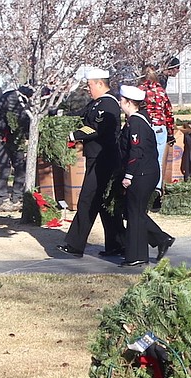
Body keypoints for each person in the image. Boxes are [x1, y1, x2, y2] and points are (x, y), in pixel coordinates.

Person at [57, 68, 124, 258]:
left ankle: (75, 245)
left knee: (87, 200)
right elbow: (81, 116)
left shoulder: (108, 104)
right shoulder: (96, 103)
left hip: (105, 159)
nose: (88, 88)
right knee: (103, 202)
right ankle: (117, 244)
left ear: (100, 84)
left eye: (90, 85)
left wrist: (73, 135)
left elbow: (96, 128)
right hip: (96, 157)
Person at [118, 85, 175, 268]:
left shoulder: (136, 122)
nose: (120, 103)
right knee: (134, 212)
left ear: (128, 102)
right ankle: (160, 239)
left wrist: (128, 175)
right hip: (145, 172)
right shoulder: (138, 120)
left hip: (141, 174)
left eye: (121, 100)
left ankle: (137, 256)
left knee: (134, 213)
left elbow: (136, 151)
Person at [0, 84, 31, 211]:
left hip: (17, 138)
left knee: (20, 166)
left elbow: (29, 122)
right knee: (4, 167)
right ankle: (3, 199)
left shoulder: (30, 103)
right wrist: (7, 125)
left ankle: (17, 197)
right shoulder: (6, 97)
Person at [140, 66, 175, 201]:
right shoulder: (161, 91)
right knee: (158, 160)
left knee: (144, 159)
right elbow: (168, 112)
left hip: (145, 127)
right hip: (160, 127)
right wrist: (171, 132)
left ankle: (145, 190)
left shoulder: (139, 91)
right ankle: (157, 190)